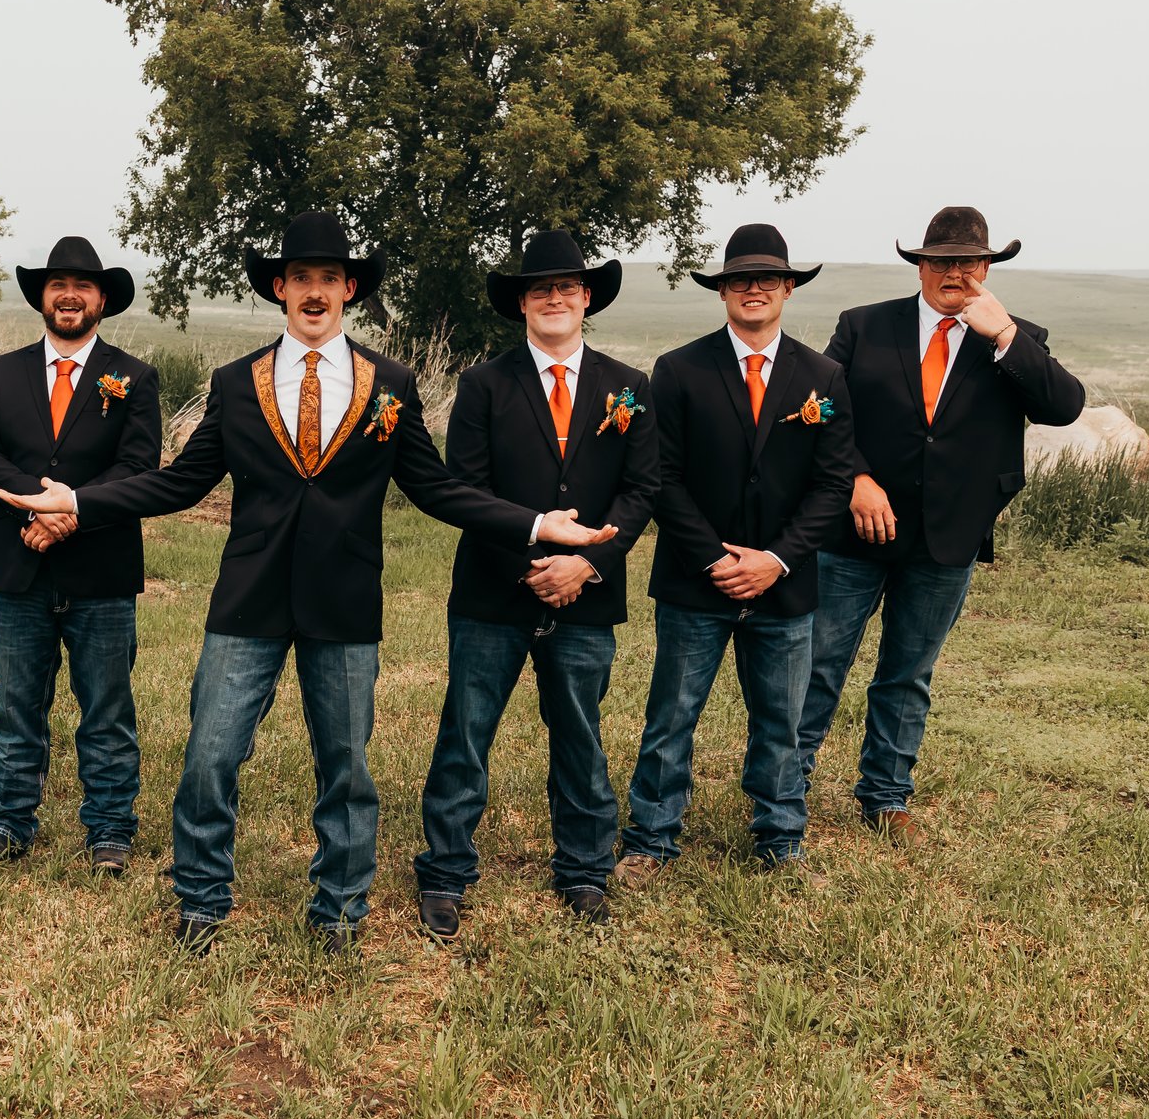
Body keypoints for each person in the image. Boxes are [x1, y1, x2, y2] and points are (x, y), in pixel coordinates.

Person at [0, 210, 616, 953]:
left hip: (345, 601)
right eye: (301, 279)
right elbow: (179, 484)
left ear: (348, 289)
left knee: (347, 767)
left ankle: (341, 908)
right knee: (210, 754)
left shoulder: (390, 384)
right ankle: (200, 894)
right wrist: (78, 500)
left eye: (329, 278)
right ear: (280, 290)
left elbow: (439, 490)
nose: (314, 292)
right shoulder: (235, 382)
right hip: (247, 601)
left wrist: (538, 524)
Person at [795, 207, 1086, 843]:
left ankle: (885, 795)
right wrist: (857, 479)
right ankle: (787, 787)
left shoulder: (1016, 335)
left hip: (948, 535)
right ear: (920, 267)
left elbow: (1064, 407)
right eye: (938, 261)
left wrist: (1004, 334)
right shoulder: (865, 326)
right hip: (855, 531)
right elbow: (818, 409)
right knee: (820, 660)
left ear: (987, 269)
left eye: (966, 262)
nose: (952, 272)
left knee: (908, 670)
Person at [413, 232, 659, 939]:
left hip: (588, 592)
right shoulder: (484, 384)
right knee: (466, 730)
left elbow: (643, 489)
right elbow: (463, 490)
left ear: (587, 297)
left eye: (568, 286)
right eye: (540, 287)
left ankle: (583, 867)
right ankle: (446, 870)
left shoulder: (629, 386)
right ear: (521, 301)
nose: (555, 296)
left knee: (581, 731)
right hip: (494, 592)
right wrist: (533, 563)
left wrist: (588, 564)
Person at [619, 224, 858, 885]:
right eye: (738, 280)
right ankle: (652, 836)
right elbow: (661, 477)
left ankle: (781, 836)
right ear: (722, 291)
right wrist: (716, 560)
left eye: (767, 279)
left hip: (784, 586)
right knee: (671, 716)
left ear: (787, 288)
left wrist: (775, 560)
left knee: (782, 721)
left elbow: (835, 483)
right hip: (698, 581)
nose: (753, 289)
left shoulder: (823, 376)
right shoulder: (679, 370)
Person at [0, 237, 164, 871]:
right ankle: (9, 822)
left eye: (82, 285)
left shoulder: (133, 376)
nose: (69, 294)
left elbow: (137, 469)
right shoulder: (1, 372)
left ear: (102, 299)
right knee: (18, 705)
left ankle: (110, 830)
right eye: (57, 284)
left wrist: (68, 515)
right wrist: (40, 508)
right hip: (20, 566)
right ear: (41, 298)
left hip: (100, 570)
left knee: (106, 709)